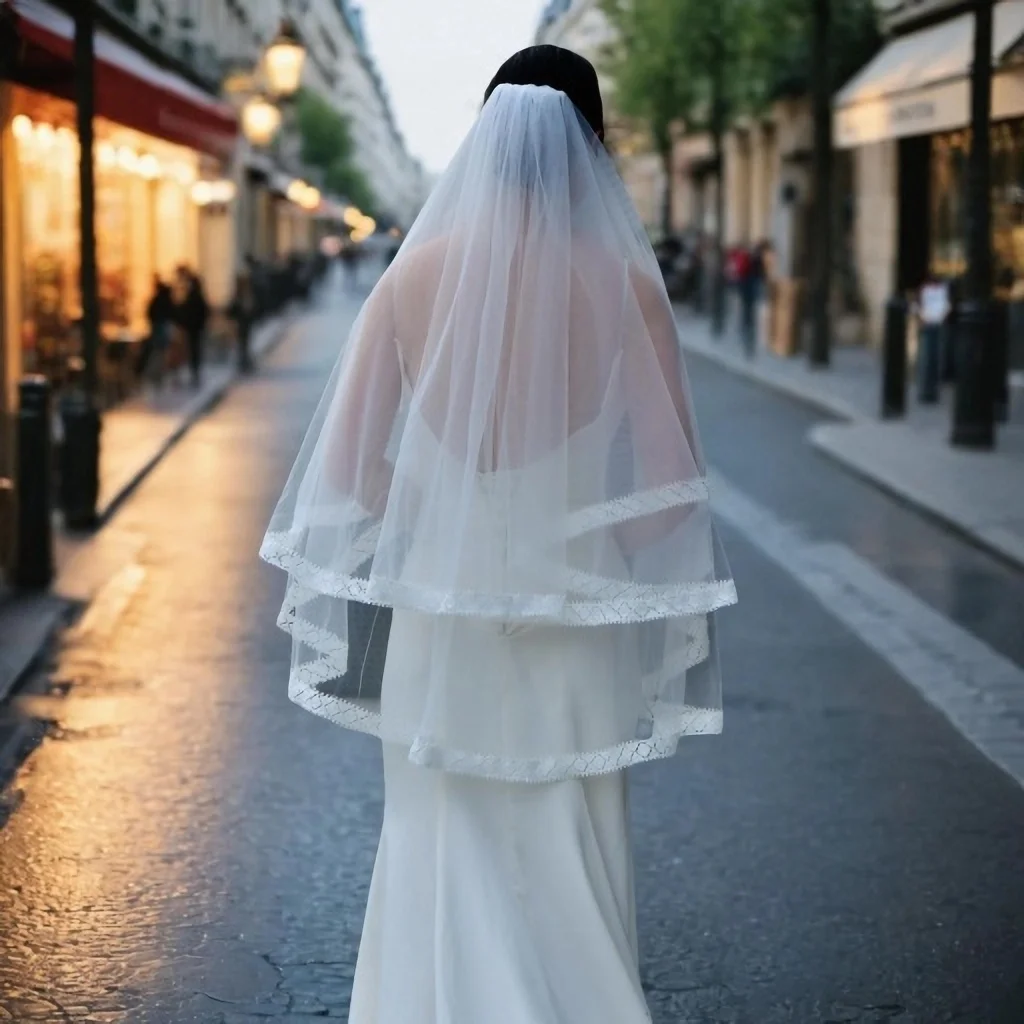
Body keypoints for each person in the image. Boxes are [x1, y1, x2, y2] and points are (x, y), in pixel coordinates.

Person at [260, 45, 736, 1023]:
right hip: (574, 609)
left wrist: (447, 519)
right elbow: (671, 496)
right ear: (592, 146)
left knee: (438, 831)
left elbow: (348, 473)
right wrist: (583, 540)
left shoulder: (411, 279)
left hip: (440, 607)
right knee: (572, 838)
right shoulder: (624, 285)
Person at [916, 272, 950, 403]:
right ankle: (927, 391)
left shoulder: (939, 291)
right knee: (928, 359)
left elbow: (945, 306)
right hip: (929, 325)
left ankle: (930, 392)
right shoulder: (927, 291)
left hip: (935, 325)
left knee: (932, 359)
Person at [174, 266, 209, 388]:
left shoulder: (193, 296)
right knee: (193, 351)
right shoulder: (195, 295)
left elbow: (197, 312)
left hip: (191, 328)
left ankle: (193, 373)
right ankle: (192, 373)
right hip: (192, 327)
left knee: (192, 351)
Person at [137, 275, 174, 387]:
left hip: (159, 327)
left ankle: (156, 375)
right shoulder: (166, 299)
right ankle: (158, 375)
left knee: (158, 352)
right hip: (162, 327)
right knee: (160, 352)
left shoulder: (158, 299)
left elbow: (150, 312)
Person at [228, 271, 256, 373]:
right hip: (240, 324)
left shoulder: (245, 295)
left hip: (244, 324)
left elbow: (252, 309)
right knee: (242, 343)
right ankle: (243, 361)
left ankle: (245, 361)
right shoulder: (239, 296)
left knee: (244, 343)